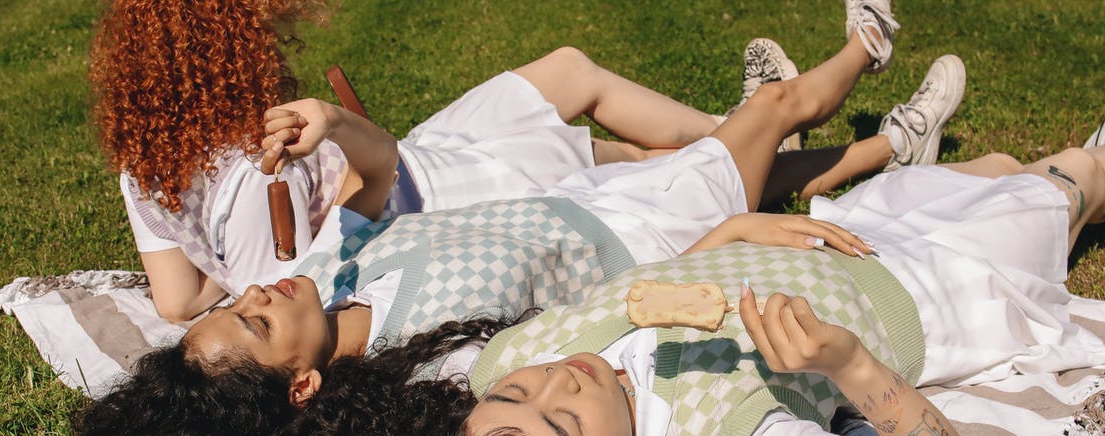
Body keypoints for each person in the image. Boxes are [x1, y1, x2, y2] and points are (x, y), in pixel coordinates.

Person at [380, 46, 1105, 436]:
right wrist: (847, 362)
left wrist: (723, 239)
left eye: (521, 392)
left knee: (997, 163)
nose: (561, 379)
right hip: (939, 292)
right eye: (564, 421)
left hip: (838, 234)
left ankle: (1072, 173)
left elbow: (625, 304)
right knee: (1069, 183)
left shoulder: (505, 363)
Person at [75, 2, 927, 436]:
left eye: (239, 299)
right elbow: (598, 334)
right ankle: (871, 42)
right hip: (645, 237)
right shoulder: (436, 367)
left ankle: (889, 145)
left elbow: (379, 170)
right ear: (300, 383)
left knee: (758, 147)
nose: (260, 289)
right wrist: (712, 251)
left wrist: (332, 127)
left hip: (584, 200)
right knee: (774, 108)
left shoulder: (338, 268)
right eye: (258, 320)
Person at [89, 0, 948, 322]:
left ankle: (754, 130)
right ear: (221, 43)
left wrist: (236, 297)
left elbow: (176, 299)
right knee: (627, 159)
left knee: (574, 80)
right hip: (424, 204)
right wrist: (336, 146)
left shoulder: (144, 167)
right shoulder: (262, 124)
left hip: (414, 169)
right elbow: (366, 183)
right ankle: (849, 131)